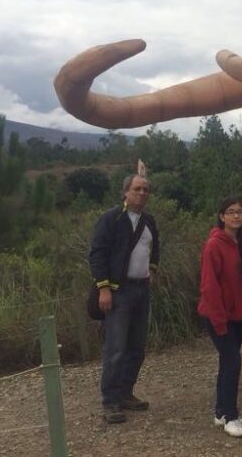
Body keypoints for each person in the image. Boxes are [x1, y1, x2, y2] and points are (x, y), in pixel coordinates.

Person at [89, 174, 160, 424]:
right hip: (118, 291)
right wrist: (104, 288)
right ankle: (111, 402)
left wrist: (152, 269)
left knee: (137, 348)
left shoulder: (149, 220)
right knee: (115, 349)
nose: (142, 193)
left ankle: (126, 393)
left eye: (146, 190)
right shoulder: (112, 218)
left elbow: (156, 249)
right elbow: (97, 254)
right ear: (125, 192)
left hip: (141, 290)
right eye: (137, 189)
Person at [198, 197, 242, 437]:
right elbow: (209, 286)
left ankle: (221, 412)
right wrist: (219, 321)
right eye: (230, 212)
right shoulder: (214, 245)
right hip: (218, 315)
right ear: (222, 216)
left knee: (226, 363)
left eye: (240, 212)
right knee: (232, 363)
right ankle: (231, 417)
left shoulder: (241, 243)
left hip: (238, 315)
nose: (236, 216)